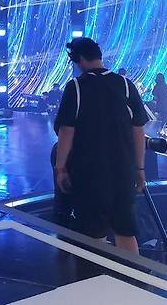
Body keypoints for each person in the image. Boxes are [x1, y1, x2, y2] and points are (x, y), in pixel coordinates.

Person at [54, 37, 148, 254]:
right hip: (123, 171)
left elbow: (66, 131)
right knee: (125, 230)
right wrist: (140, 168)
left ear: (80, 60)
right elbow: (138, 129)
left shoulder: (76, 87)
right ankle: (132, 274)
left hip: (89, 173)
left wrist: (60, 168)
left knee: (93, 232)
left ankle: (97, 272)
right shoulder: (126, 85)